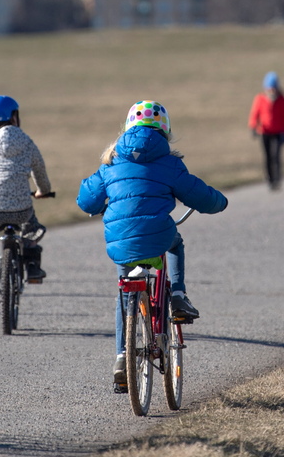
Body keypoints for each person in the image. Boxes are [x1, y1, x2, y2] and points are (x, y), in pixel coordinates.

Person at [76, 101, 228, 389]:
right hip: (158, 234)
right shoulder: (169, 162)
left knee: (124, 291)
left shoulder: (111, 161)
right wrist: (220, 201)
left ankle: (122, 356)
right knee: (175, 243)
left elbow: (86, 200)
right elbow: (201, 196)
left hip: (120, 242)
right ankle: (179, 295)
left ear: (127, 127)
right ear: (165, 130)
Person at [0, 95, 53, 310]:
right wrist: (43, 191)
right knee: (31, 229)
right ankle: (32, 267)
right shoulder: (25, 141)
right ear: (14, 117)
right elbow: (39, 170)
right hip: (21, 208)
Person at [248, 71, 284, 190]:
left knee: (276, 156)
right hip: (264, 132)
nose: (272, 91)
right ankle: (270, 179)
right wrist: (253, 127)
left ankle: (277, 178)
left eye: (273, 88)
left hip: (278, 133)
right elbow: (254, 114)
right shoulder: (260, 99)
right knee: (267, 157)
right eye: (269, 88)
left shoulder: (282, 99)